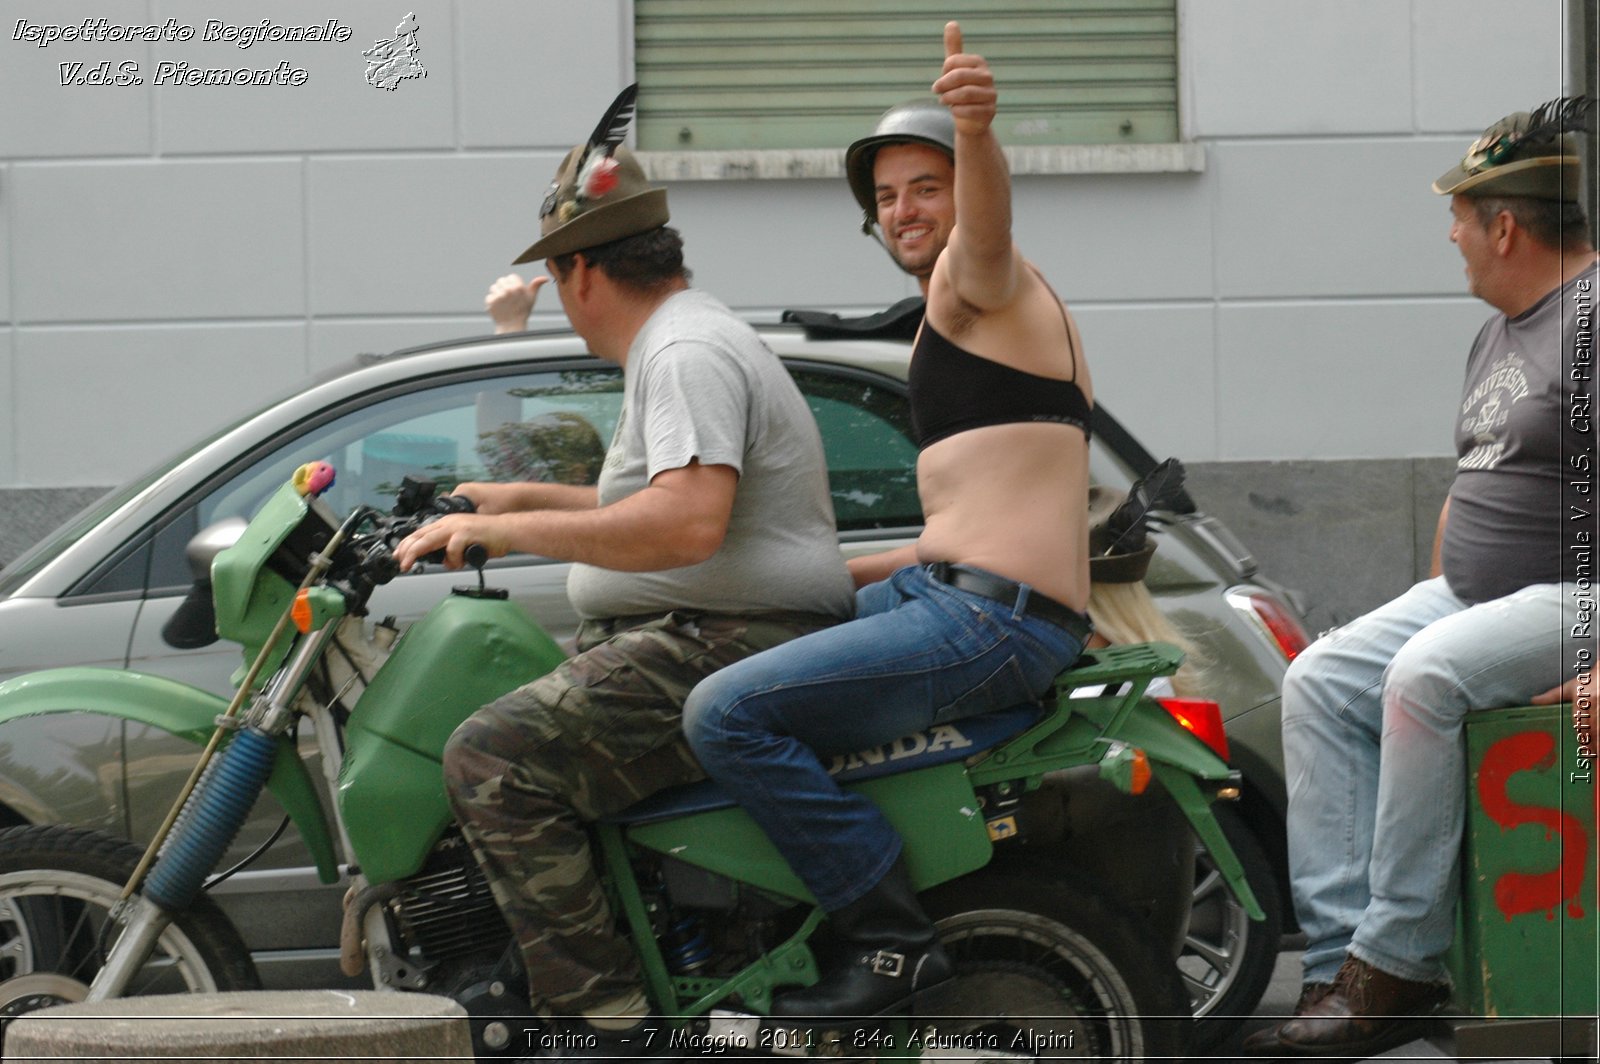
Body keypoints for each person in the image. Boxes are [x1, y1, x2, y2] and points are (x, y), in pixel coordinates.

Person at [394, 89, 855, 1052]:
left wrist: (514, 540)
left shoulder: (682, 352)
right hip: (713, 637)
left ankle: (608, 1024)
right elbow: (642, 508)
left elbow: (686, 525)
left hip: (726, 645)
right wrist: (505, 501)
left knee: (493, 756)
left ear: (579, 272)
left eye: (557, 279)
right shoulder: (682, 341)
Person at [682, 22, 1095, 1018]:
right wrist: (812, 568)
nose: (905, 209)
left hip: (989, 621)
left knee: (724, 713)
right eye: (887, 196)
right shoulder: (957, 327)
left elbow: (986, 235)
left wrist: (977, 129)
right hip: (951, 595)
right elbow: (962, 523)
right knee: (706, 663)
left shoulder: (978, 282)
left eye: (927, 184)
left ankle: (890, 938)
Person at [1244, 99, 1598, 1058]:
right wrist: (1439, 596)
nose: (1452, 236)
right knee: (1319, 679)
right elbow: (1478, 478)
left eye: (1461, 219)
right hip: (1483, 593)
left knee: (1425, 677)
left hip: (1580, 598)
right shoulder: (1501, 331)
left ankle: (1394, 968)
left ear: (1507, 226)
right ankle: (1335, 970)